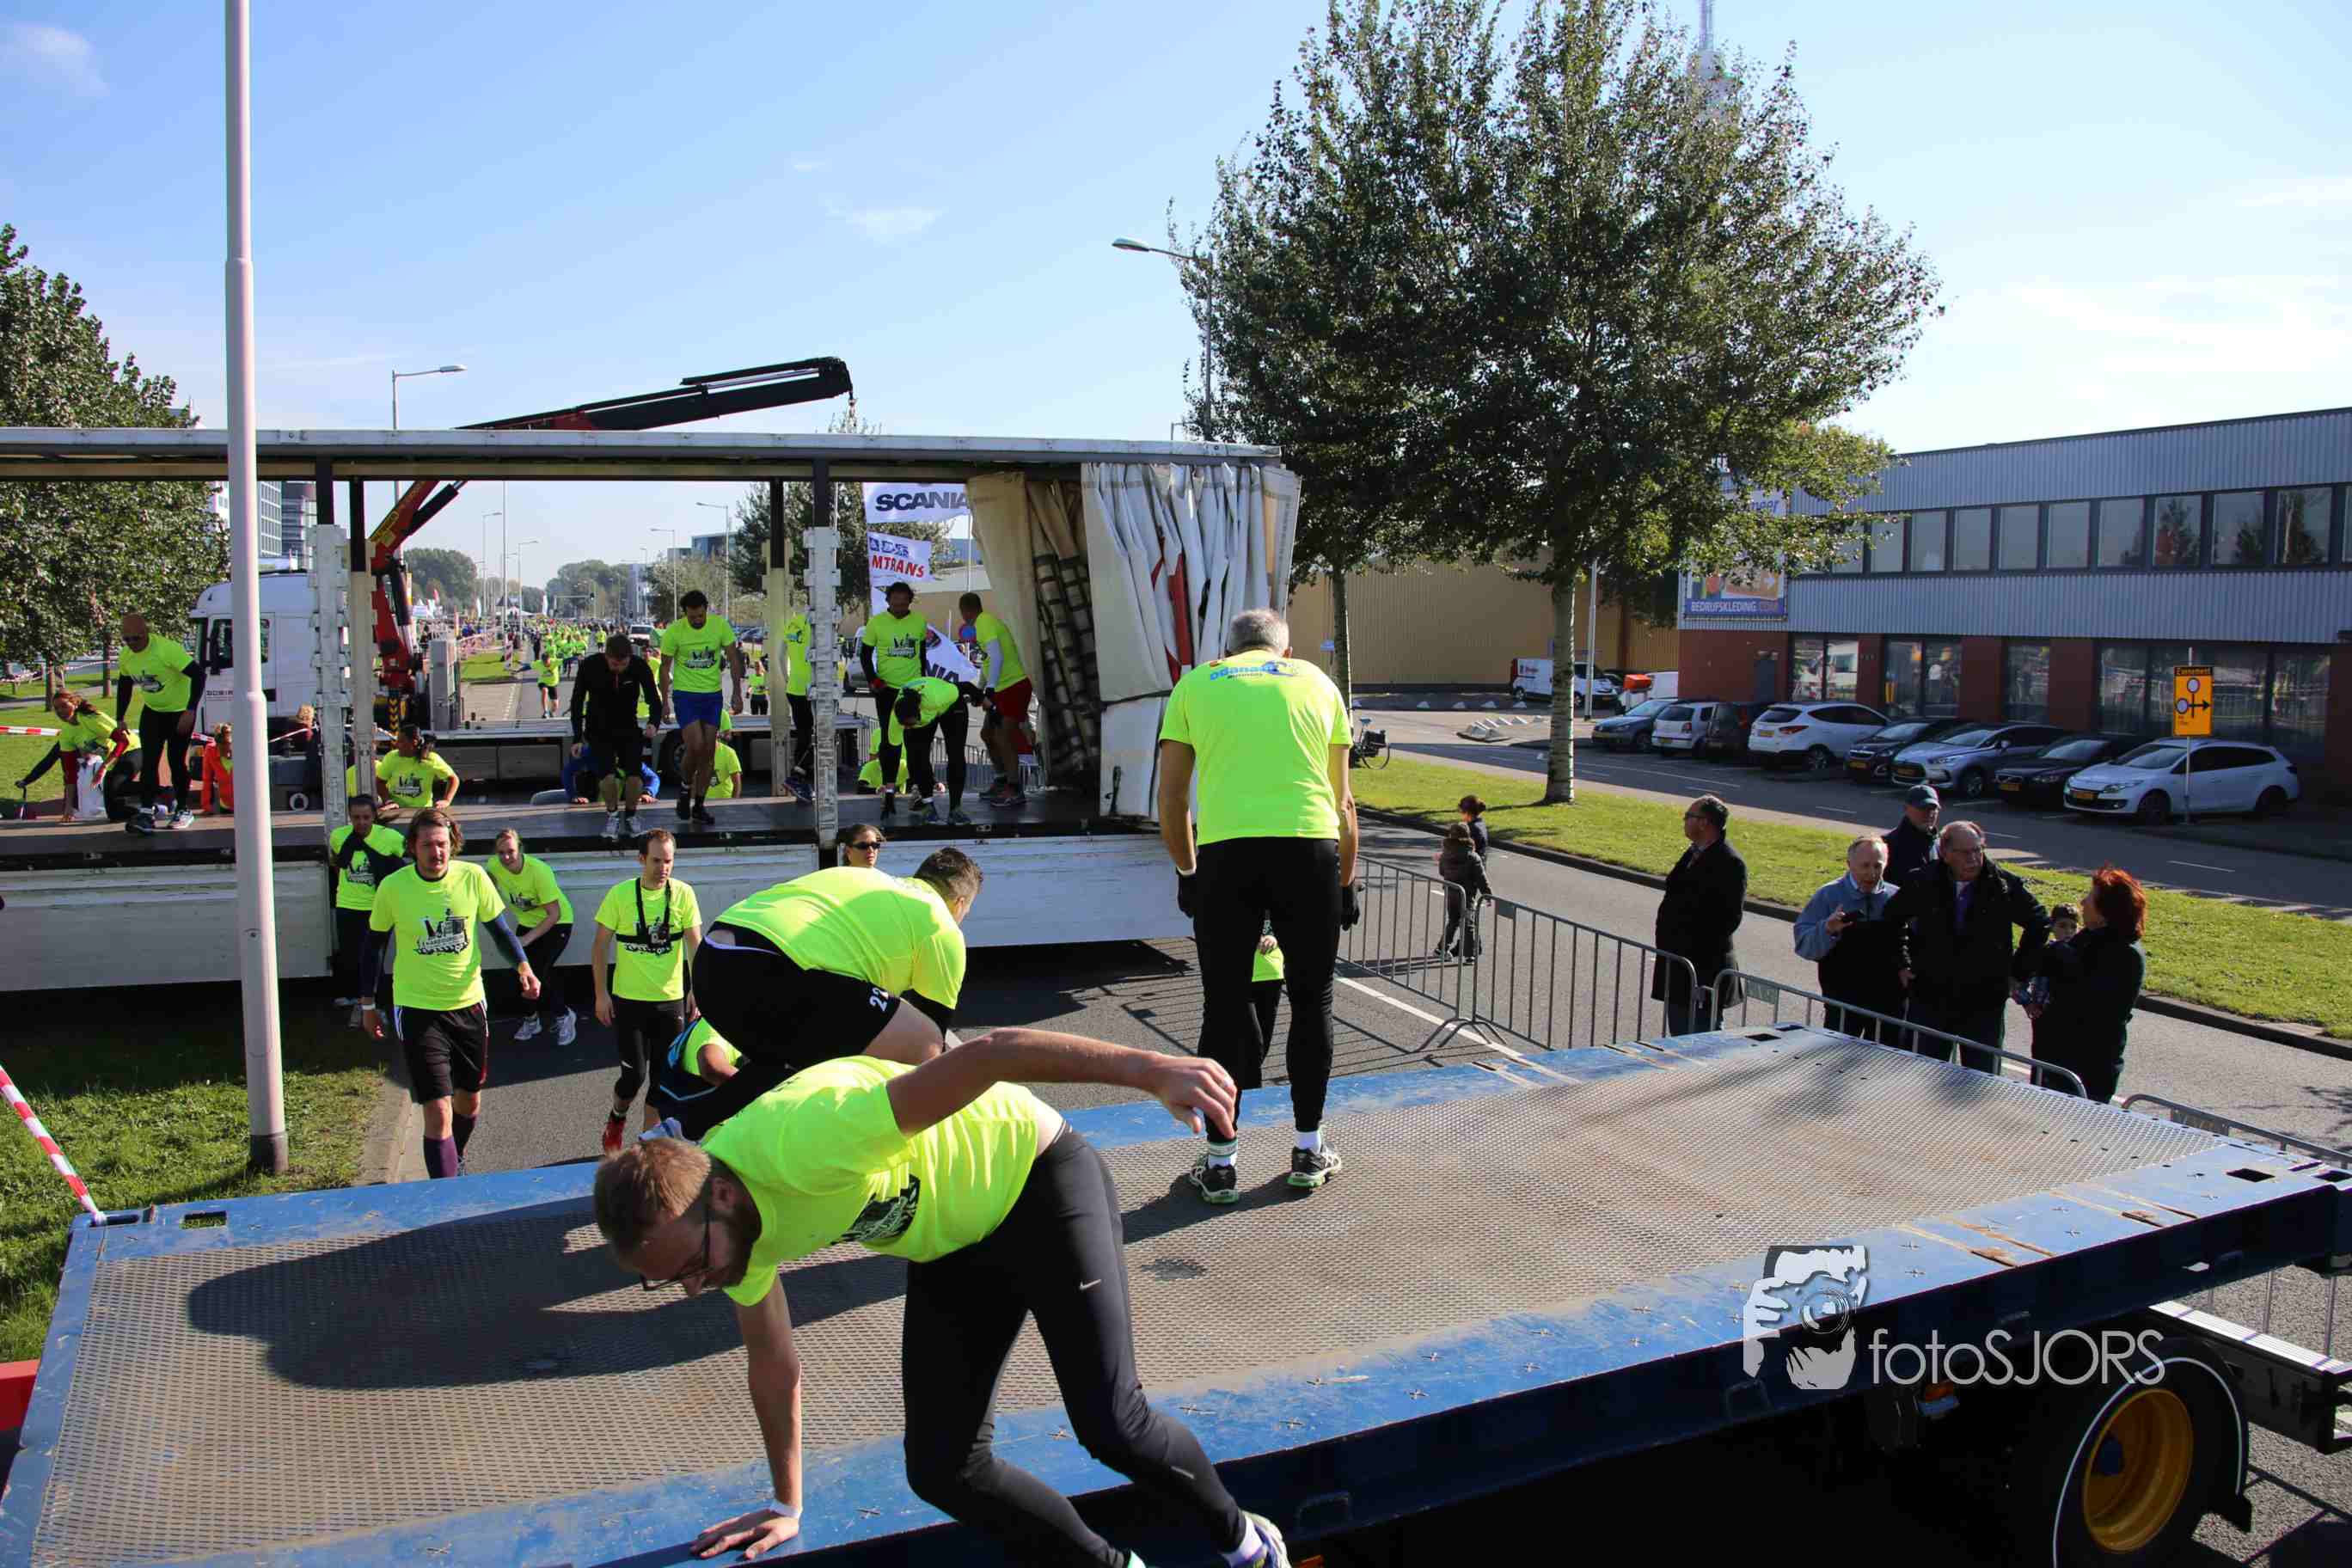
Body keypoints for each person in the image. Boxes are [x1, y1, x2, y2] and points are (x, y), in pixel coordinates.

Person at [591, 1028, 1293, 1568]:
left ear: (720, 1194)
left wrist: (1152, 1070)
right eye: (672, 1279)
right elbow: (773, 1364)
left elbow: (990, 1055)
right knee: (944, 1470)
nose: (695, 1285)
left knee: (1112, 1424)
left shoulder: (807, 1138)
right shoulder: (727, 1234)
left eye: (693, 1265)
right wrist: (786, 1503)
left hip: (1036, 1180)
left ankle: (1247, 1544)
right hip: (954, 1242)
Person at [1157, 607, 1358, 1204]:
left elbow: (1172, 798)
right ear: (1284, 652)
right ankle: (1308, 1148)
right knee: (1313, 1000)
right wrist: (1346, 881)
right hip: (1310, 849)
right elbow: (1344, 803)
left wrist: (1187, 871)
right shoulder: (1318, 683)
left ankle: (1221, 1161)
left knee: (1224, 1004)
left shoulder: (1197, 684)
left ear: (1229, 651)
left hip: (1227, 854)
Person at [667, 848, 982, 1139]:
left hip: (712, 962)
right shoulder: (941, 925)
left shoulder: (866, 877)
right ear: (960, 903)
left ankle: (680, 1131)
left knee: (799, 1056)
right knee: (922, 1041)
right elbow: (930, 1044)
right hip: (770, 969)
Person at [359, 807, 542, 1179]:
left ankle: (454, 1156)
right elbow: (374, 947)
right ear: (413, 847)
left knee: (468, 1101)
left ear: (453, 844)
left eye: (442, 844)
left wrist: (523, 967)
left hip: (468, 1004)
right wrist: (367, 1004)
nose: (436, 852)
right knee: (437, 1109)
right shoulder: (393, 887)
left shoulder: (473, 877)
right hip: (418, 1008)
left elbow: (500, 932)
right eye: (428, 845)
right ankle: (444, 1195)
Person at [1883, 820, 2050, 1072]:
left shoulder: (2002, 885)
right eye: (1964, 852)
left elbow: (2039, 922)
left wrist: (2017, 973)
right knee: (1923, 1071)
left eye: (1977, 850)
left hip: (1983, 1000)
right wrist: (1902, 963)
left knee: (1982, 1077)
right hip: (1932, 994)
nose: (1973, 859)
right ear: (1945, 853)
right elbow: (1892, 919)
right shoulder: (1923, 880)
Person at [591, 829, 703, 1155]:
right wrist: (601, 994)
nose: (663, 868)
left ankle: (647, 1148)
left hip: (670, 1002)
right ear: (641, 859)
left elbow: (695, 945)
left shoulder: (683, 894)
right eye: (656, 861)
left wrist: (697, 989)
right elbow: (599, 946)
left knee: (662, 1080)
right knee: (634, 1077)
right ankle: (617, 1115)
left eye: (668, 861)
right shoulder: (620, 895)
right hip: (629, 1002)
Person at [2030, 867, 2147, 1103]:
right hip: (2053, 1063)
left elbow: (2089, 1009)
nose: (2083, 903)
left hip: (2084, 1074)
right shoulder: (2088, 939)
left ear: (2105, 912)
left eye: (2090, 899)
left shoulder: (2124, 956)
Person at [1651, 794, 1746, 1036]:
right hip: (1678, 965)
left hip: (1703, 971)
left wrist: (1685, 944)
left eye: (1688, 816)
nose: (1684, 821)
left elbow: (1728, 920)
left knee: (1703, 1040)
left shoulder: (1729, 862)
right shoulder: (1693, 853)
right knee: (1679, 1036)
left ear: (1704, 822)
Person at [1793, 836, 1903, 1042]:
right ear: (1849, 864)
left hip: (1887, 1006)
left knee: (1886, 1060)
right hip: (1843, 1004)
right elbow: (1804, 945)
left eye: (1877, 866)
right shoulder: (1828, 895)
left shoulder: (1896, 898)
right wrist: (1827, 929)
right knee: (1836, 1059)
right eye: (1865, 866)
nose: (1872, 873)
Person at [658, 590, 746, 830]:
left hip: (712, 696)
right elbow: (664, 668)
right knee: (695, 746)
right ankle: (685, 789)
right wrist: (664, 701)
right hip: (686, 695)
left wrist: (737, 692)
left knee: (708, 752)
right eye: (692, 617)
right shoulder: (675, 631)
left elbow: (733, 658)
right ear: (684, 614)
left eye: (700, 616)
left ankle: (698, 805)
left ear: (706, 610)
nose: (697, 620)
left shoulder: (720, 626)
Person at [115, 611, 205, 833]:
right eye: (127, 639)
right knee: (149, 761)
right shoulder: (126, 655)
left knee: (176, 761)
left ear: (146, 633)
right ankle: (146, 812)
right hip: (153, 712)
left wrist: (190, 710)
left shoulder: (166, 649)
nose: (132, 643)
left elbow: (199, 675)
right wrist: (120, 717)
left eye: (136, 638)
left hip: (179, 712)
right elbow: (124, 685)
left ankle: (183, 809)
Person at [571, 633, 665, 842]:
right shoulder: (590, 666)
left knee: (634, 776)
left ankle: (631, 816)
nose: (619, 669)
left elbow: (654, 698)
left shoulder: (639, 666)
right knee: (608, 776)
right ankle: (612, 815)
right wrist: (577, 737)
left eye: (623, 664)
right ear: (606, 656)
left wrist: (653, 723)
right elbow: (577, 701)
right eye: (614, 664)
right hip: (598, 729)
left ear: (630, 658)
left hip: (628, 727)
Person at [487, 829, 579, 1046]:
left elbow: (554, 914)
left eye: (511, 851)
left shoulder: (539, 871)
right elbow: (487, 889)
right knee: (521, 972)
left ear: (520, 849)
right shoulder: (494, 866)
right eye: (501, 853)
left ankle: (565, 1016)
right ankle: (531, 1020)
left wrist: (526, 939)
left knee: (538, 972)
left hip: (557, 923)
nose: (506, 857)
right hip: (527, 923)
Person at [328, 793, 407, 1020]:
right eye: (356, 818)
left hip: (378, 907)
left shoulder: (391, 838)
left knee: (374, 958)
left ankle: (377, 1005)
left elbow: (404, 863)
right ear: (349, 817)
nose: (361, 822)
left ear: (374, 816)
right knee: (350, 955)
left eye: (366, 817)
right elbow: (338, 864)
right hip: (347, 905)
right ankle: (356, 998)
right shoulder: (338, 836)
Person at [879, 675, 985, 825]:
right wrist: (890, 793)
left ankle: (955, 809)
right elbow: (892, 755)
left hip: (950, 706)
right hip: (924, 713)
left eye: (911, 724)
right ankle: (928, 805)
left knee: (956, 754)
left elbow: (966, 686)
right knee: (917, 757)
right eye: (905, 725)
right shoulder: (896, 720)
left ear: (919, 712)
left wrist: (986, 703)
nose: (907, 728)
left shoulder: (939, 697)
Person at [962, 591, 1035, 808]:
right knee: (987, 734)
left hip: (1014, 686)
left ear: (965, 611)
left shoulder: (984, 622)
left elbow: (997, 657)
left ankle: (1015, 789)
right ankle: (1001, 780)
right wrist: (980, 690)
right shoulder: (983, 624)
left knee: (1003, 736)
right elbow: (987, 662)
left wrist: (990, 689)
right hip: (1002, 688)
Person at [17, 690, 137, 821]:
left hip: (132, 749)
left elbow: (123, 741)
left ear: (75, 704)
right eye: (56, 708)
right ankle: (146, 810)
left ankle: (152, 793)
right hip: (108, 762)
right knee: (114, 813)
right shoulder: (67, 734)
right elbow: (57, 764)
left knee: (114, 785)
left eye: (64, 706)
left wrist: (103, 767)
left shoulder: (91, 719)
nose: (60, 711)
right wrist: (68, 807)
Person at [858, 580, 928, 758]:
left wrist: (924, 680)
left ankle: (912, 773)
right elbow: (865, 656)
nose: (899, 609)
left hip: (913, 688)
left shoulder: (919, 621)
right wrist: (873, 680)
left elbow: (922, 654)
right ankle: (888, 773)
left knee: (914, 736)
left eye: (903, 605)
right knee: (888, 738)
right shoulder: (876, 623)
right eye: (895, 604)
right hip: (886, 689)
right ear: (888, 601)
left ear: (910, 602)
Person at [1436, 821, 1491, 959]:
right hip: (1467, 895)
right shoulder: (1473, 856)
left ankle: (1441, 949)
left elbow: (1442, 871)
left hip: (1451, 892)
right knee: (1468, 923)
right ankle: (1469, 954)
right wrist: (1487, 895)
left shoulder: (1445, 854)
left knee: (1453, 921)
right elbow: (1481, 878)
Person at [376, 725, 460, 816]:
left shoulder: (431, 759)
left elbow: (453, 779)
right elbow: (380, 781)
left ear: (414, 742)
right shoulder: (391, 757)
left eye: (401, 741)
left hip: (423, 812)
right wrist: (388, 801)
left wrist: (447, 800)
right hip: (395, 810)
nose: (397, 745)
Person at [779, 603, 817, 802]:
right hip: (811, 689)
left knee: (804, 734)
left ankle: (802, 781)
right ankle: (797, 776)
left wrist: (788, 679)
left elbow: (780, 656)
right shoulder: (816, 626)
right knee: (815, 736)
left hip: (794, 688)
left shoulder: (792, 623)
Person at [1885, 785, 1940, 890]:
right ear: (1906, 809)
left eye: (1933, 808)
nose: (1929, 814)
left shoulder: (1939, 844)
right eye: (1923, 808)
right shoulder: (1888, 844)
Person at [200, 723, 236, 815]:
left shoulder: (245, 749)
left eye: (228, 743)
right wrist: (206, 806)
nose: (226, 748)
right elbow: (207, 780)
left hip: (245, 804)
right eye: (222, 744)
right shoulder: (210, 750)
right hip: (225, 805)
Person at [1457, 794, 1490, 862]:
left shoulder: (1472, 829)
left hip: (1471, 866)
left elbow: (1466, 851)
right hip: (1479, 864)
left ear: (1467, 813)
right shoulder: (1480, 824)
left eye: (1461, 812)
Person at [536, 642, 562, 720]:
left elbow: (566, 660)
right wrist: (518, 670)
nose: (545, 664)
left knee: (555, 705)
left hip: (553, 684)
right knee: (545, 690)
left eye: (547, 663)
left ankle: (551, 712)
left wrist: (576, 657)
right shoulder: (539, 663)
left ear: (549, 659)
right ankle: (545, 711)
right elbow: (528, 666)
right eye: (544, 663)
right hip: (543, 682)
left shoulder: (555, 661)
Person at [745, 652, 769, 717]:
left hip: (763, 699)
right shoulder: (752, 677)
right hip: (754, 699)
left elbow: (769, 689)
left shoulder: (765, 677)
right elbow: (750, 686)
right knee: (754, 718)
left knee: (763, 718)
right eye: (756, 667)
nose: (757, 668)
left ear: (761, 667)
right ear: (754, 668)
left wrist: (765, 689)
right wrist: (748, 692)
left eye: (758, 667)